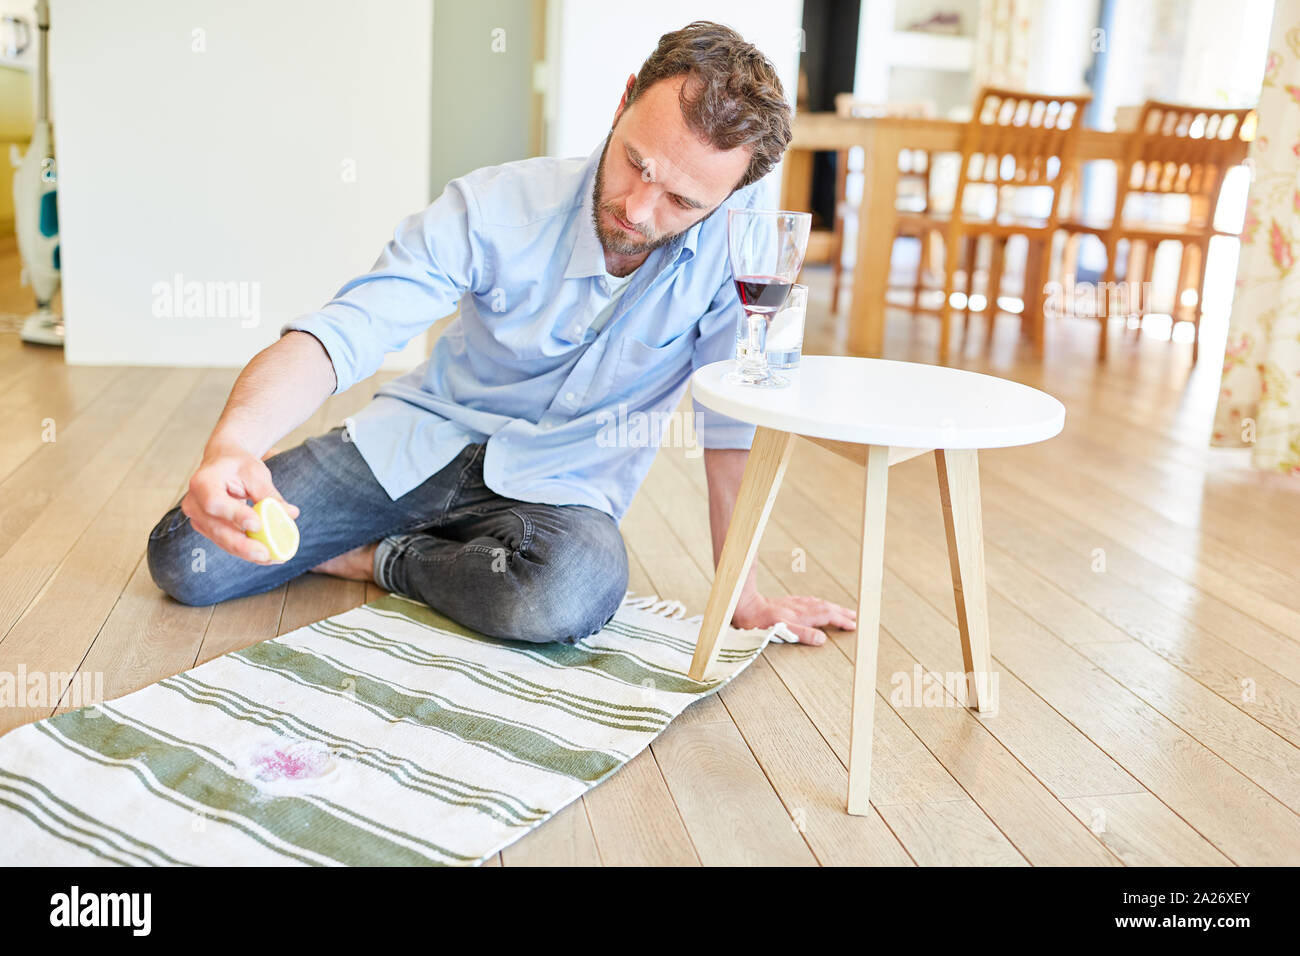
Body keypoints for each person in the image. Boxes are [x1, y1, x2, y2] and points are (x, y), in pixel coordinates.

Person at [147, 20, 857, 647]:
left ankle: (383, 560)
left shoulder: (746, 254)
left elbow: (730, 429)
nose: (639, 209)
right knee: (190, 557)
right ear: (623, 101)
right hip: (419, 444)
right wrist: (233, 445)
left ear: (730, 196)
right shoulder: (494, 206)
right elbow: (343, 333)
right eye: (636, 163)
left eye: (681, 200)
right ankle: (433, 550)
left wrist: (746, 597)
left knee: (571, 591)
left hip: (560, 494)